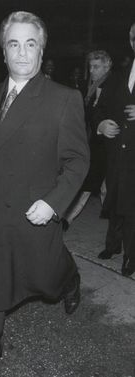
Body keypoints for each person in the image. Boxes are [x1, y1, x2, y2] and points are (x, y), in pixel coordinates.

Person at [0, 11, 89, 376]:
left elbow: (78, 160)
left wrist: (53, 203)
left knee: (46, 280)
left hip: (34, 210)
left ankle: (69, 277)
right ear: (3, 51)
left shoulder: (63, 98)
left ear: (42, 50)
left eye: (30, 43)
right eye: (13, 43)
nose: (21, 52)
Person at [95, 23, 135, 277]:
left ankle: (130, 257)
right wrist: (100, 123)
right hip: (118, 152)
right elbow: (98, 107)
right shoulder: (119, 74)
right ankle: (113, 245)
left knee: (131, 205)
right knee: (115, 197)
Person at [63, 50, 112, 229]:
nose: (92, 70)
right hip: (93, 140)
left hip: (105, 143)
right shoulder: (91, 86)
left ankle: (67, 219)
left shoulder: (110, 85)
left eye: (96, 67)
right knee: (101, 185)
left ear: (107, 66)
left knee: (93, 183)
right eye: (90, 66)